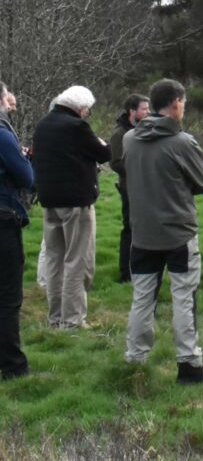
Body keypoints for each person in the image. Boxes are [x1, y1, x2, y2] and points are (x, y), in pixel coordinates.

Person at [123, 78, 203, 384]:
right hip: (179, 233)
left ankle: (135, 361)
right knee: (184, 297)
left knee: (142, 298)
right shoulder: (184, 142)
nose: (185, 107)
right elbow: (202, 183)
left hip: (142, 232)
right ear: (174, 104)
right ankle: (189, 365)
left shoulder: (130, 139)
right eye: (184, 102)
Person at [31, 85, 110, 329]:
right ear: (82, 107)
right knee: (77, 260)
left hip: (49, 200)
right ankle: (73, 320)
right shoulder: (77, 127)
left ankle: (55, 318)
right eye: (88, 110)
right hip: (76, 202)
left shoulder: (43, 125)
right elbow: (104, 153)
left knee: (54, 259)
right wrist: (100, 141)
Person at [0, 82, 34, 380]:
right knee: (8, 297)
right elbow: (25, 177)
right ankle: (13, 366)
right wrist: (24, 159)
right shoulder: (2, 134)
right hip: (2, 218)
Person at [109, 94, 151, 283]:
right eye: (144, 109)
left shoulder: (147, 129)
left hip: (148, 186)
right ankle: (126, 272)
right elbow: (115, 163)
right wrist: (139, 168)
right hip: (129, 187)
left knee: (146, 227)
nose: (148, 112)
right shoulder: (120, 133)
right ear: (132, 111)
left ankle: (145, 266)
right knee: (130, 229)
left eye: (149, 108)